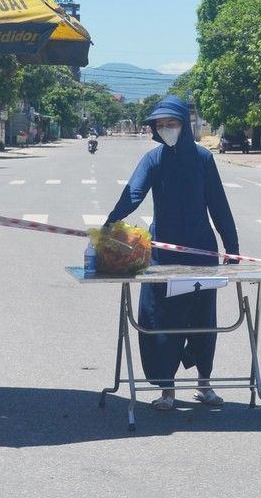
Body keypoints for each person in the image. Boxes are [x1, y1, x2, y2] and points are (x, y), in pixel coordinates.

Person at [103, 95, 239, 411]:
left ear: (184, 124)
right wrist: (110, 223)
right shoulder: (153, 160)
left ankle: (204, 384)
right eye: (161, 125)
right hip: (162, 258)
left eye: (172, 123)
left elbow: (219, 207)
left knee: (203, 323)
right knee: (159, 322)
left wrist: (232, 250)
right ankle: (167, 390)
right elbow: (133, 194)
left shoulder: (204, 159)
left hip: (202, 256)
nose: (166, 129)